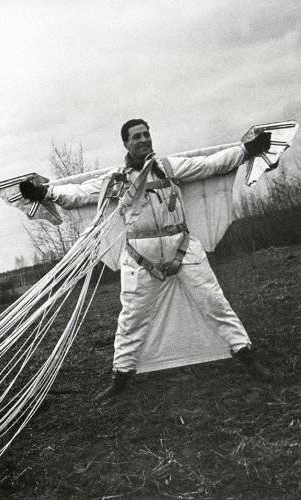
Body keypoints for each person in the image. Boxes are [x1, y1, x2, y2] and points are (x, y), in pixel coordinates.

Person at [20, 119, 272, 400]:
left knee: (216, 304)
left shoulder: (170, 167)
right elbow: (78, 194)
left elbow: (211, 163)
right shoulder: (116, 181)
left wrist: (247, 150)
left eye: (146, 134)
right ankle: (121, 378)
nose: (143, 139)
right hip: (140, 260)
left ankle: (248, 358)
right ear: (126, 143)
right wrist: (44, 193)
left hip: (184, 250)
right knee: (131, 321)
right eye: (136, 136)